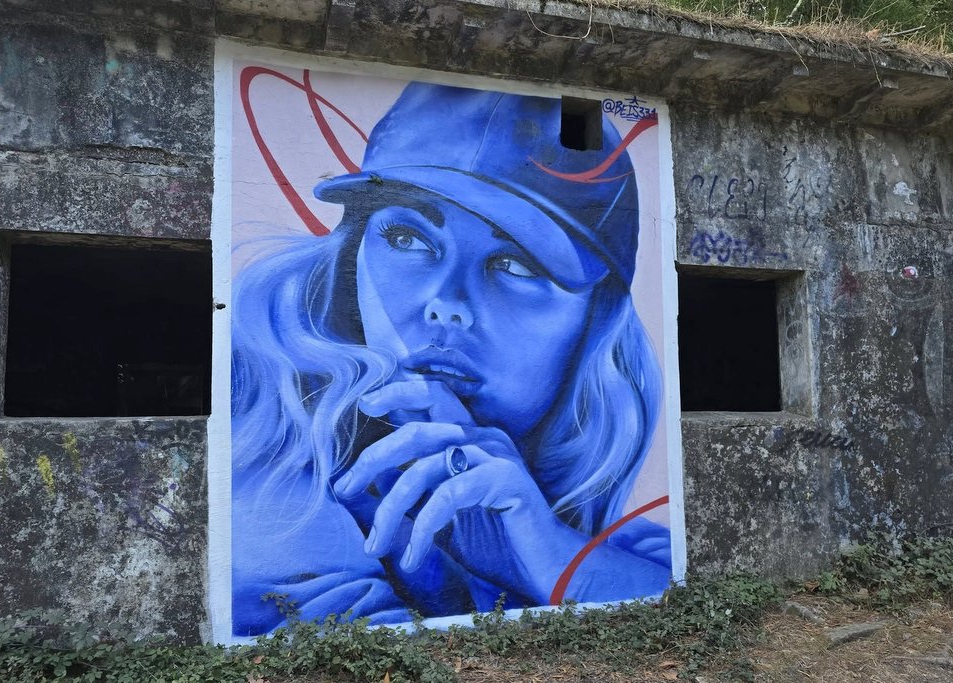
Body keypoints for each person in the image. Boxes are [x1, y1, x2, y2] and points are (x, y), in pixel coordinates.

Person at [230, 81, 670, 636]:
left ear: (593, 324)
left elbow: (681, 598)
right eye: (407, 238)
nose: (447, 304)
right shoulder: (270, 464)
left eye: (516, 265)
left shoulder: (589, 524)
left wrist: (557, 560)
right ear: (351, 260)